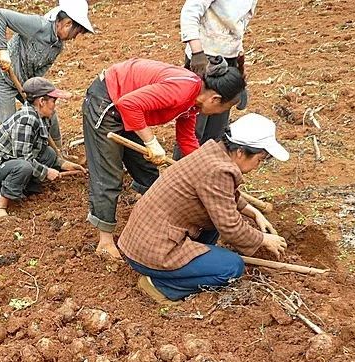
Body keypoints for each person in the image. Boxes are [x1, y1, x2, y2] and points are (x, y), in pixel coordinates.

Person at [82, 57, 245, 260]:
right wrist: (150, 142)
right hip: (107, 102)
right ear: (214, 99)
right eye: (223, 109)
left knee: (147, 170)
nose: (220, 113)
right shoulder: (183, 89)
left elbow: (186, 140)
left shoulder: (193, 102)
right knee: (108, 175)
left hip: (129, 108)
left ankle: (147, 218)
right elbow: (128, 104)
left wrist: (205, 168)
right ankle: (105, 242)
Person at [117, 113, 289, 304]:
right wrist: (263, 239)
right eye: (260, 158)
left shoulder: (212, 153)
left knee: (216, 222)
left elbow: (222, 197)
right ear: (240, 151)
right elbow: (231, 227)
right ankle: (159, 285)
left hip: (142, 240)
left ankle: (195, 262)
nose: (259, 165)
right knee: (232, 267)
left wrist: (254, 212)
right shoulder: (219, 171)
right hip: (152, 252)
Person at [0, 78, 86, 221]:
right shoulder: (27, 120)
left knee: (49, 154)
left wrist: (64, 164)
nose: (55, 106)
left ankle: (21, 186)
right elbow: (23, 158)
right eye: (53, 101)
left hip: (8, 163)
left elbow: (39, 149)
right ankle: (0, 206)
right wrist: (46, 171)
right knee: (24, 167)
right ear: (41, 102)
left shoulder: (41, 117)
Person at [0, 0, 95, 147]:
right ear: (67, 23)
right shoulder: (38, 26)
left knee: (49, 112)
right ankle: (14, 161)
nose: (74, 38)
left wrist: (34, 92)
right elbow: (0, 15)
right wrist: (2, 51)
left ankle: (58, 153)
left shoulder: (57, 47)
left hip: (25, 83)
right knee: (9, 126)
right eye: (75, 33)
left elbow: (39, 73)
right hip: (3, 79)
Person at [174, 0, 258, 157]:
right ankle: (184, 168)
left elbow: (242, 21)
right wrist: (197, 52)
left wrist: (238, 59)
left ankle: (207, 167)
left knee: (217, 123)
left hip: (229, 57)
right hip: (204, 57)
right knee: (194, 122)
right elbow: (190, 12)